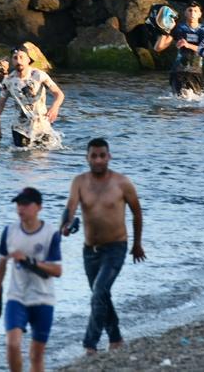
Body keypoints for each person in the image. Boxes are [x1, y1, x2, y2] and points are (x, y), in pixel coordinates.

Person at [60, 138, 145, 354]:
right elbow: (70, 208)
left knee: (99, 291)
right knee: (101, 294)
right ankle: (116, 338)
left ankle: (90, 344)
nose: (98, 160)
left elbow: (137, 212)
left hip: (116, 247)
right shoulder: (79, 182)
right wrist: (66, 225)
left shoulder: (122, 183)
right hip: (90, 251)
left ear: (109, 157)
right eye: (93, 156)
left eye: (102, 155)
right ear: (87, 158)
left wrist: (137, 244)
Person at [0, 187, 63, 372]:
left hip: (43, 298)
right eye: (18, 204)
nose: (20, 209)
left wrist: (30, 261)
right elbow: (0, 268)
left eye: (25, 204)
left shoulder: (50, 233)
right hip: (17, 297)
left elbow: (57, 270)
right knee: (12, 344)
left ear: (39, 207)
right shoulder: (9, 231)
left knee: (36, 356)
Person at [0, 44, 65, 148]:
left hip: (42, 125)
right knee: (21, 160)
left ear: (28, 59)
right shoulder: (8, 81)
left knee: (43, 161)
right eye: (15, 58)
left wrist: (54, 107)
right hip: (20, 128)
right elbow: (0, 104)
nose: (18, 60)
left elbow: (59, 94)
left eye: (22, 57)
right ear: (12, 61)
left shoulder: (39, 75)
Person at [154, 1, 204, 96]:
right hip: (178, 71)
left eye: (195, 11)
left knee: (195, 103)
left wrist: (188, 45)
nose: (192, 13)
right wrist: (164, 31)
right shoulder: (178, 28)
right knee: (181, 100)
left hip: (196, 72)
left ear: (200, 14)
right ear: (185, 13)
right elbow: (158, 48)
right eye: (190, 10)